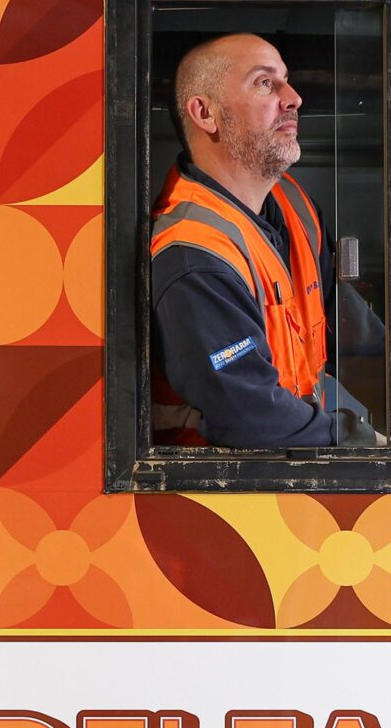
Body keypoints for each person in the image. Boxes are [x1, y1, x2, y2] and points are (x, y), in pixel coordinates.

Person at [147, 33, 378, 449]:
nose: (294, 99)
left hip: (288, 485)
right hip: (219, 500)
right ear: (205, 113)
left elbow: (359, 344)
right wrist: (357, 441)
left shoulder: (296, 208)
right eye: (265, 83)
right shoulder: (193, 254)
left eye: (286, 80)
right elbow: (247, 413)